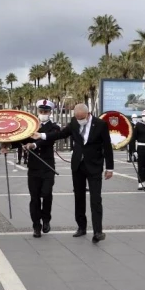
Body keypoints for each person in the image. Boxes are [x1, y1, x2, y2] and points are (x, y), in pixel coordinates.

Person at [32, 104, 114, 243]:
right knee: (79, 197)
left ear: (88, 115)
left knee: (96, 199)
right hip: (78, 166)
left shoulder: (100, 124)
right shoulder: (74, 122)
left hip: (94, 166)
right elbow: (60, 134)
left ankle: (98, 231)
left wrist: (110, 168)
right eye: (77, 117)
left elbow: (107, 146)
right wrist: (42, 135)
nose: (79, 120)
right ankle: (81, 227)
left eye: (81, 118)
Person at [7, 100, 60, 238]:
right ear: (38, 112)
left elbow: (47, 140)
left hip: (48, 167)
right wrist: (7, 145)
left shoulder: (54, 128)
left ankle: (46, 219)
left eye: (46, 112)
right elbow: (21, 138)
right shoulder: (31, 126)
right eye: (41, 111)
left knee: (46, 194)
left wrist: (34, 145)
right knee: (35, 197)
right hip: (34, 167)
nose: (43, 114)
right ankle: (36, 225)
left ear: (50, 112)